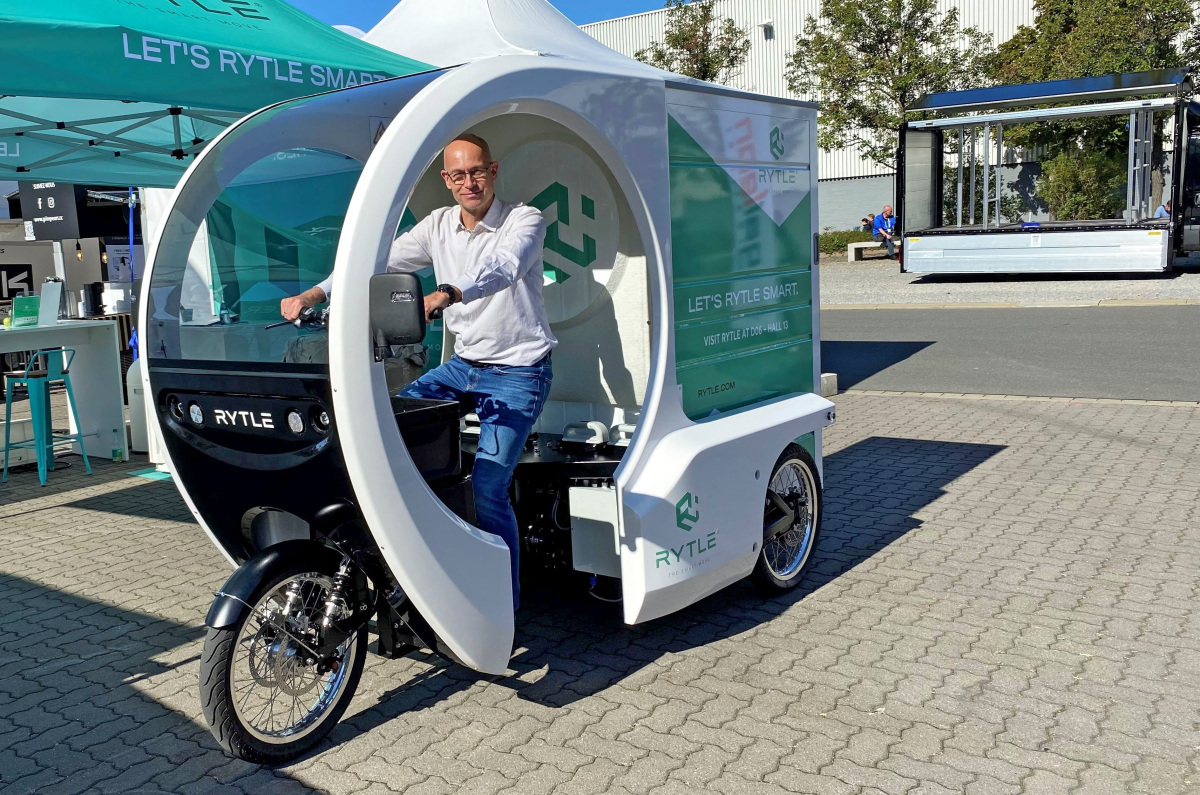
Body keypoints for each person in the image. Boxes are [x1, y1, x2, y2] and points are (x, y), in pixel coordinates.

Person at [281, 133, 556, 610]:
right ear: (447, 180)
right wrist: (315, 295)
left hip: (518, 372)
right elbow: (373, 263)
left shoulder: (523, 218)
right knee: (384, 425)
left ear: (493, 172)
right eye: (458, 174)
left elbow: (504, 266)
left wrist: (445, 292)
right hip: (462, 367)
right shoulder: (438, 225)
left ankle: (502, 607)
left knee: (489, 485)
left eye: (477, 171)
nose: (469, 182)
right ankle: (420, 566)